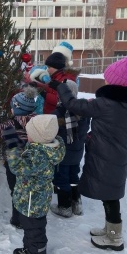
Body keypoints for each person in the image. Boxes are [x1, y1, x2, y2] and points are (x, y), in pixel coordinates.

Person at [48, 57, 127, 251]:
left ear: (115, 82)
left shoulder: (104, 103)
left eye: (108, 79)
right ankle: (110, 230)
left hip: (105, 155)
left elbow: (74, 105)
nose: (105, 81)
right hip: (118, 154)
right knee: (111, 194)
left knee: (110, 197)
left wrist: (61, 88)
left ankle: (115, 237)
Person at [2, 115, 65, 254]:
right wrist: (22, 144)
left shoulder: (39, 156)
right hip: (31, 199)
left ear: (38, 137)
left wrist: (12, 146)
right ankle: (29, 249)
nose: (27, 134)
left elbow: (17, 167)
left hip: (33, 202)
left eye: (29, 133)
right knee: (29, 228)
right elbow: (30, 155)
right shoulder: (44, 147)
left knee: (35, 231)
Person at [0, 86, 37, 229]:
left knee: (16, 190)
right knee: (30, 189)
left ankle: (17, 219)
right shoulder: (37, 122)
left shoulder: (9, 125)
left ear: (16, 109)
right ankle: (31, 214)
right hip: (32, 162)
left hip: (14, 163)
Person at [50, 80, 90, 218]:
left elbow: (52, 132)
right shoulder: (83, 111)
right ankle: (76, 204)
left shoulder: (58, 112)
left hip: (63, 154)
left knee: (62, 179)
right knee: (74, 177)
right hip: (77, 152)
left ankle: (64, 207)